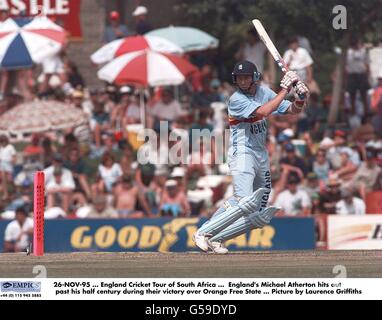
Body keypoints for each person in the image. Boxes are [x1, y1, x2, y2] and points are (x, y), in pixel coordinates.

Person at [193, 60, 309, 254]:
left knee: (259, 214)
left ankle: (217, 239)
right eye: (239, 78)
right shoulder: (236, 99)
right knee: (245, 201)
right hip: (242, 152)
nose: (243, 81)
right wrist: (285, 88)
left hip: (260, 153)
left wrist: (301, 97)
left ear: (254, 77)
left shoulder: (264, 92)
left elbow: (291, 111)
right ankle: (203, 232)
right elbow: (264, 111)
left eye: (246, 77)